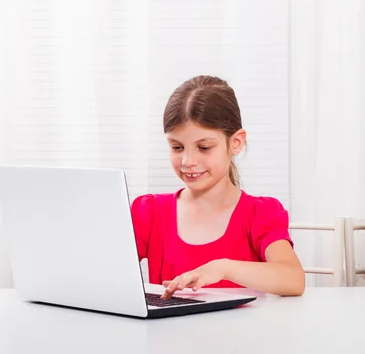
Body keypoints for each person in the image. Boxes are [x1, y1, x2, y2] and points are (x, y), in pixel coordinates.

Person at [131, 75, 305, 298]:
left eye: (203, 147)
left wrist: (223, 268)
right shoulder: (149, 212)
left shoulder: (260, 213)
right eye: (177, 147)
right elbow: (105, 273)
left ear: (236, 142)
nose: (188, 161)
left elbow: (293, 279)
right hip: (168, 333)